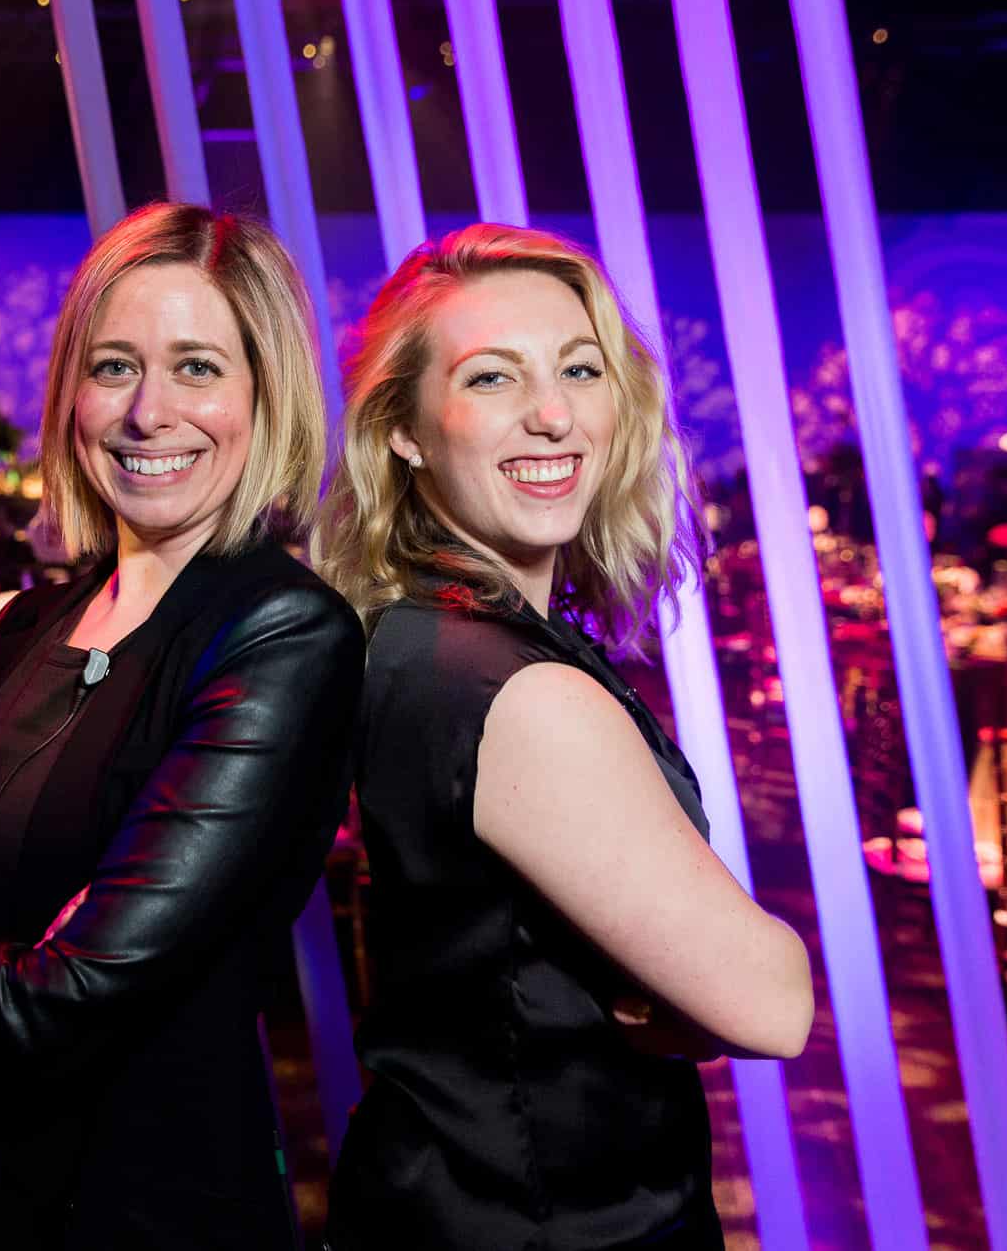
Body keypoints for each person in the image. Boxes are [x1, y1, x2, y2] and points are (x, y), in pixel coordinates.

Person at [0, 202, 364, 1250]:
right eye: (113, 366)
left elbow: (62, 1002)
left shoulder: (285, 634)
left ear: (266, 397)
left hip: (136, 1205)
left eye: (197, 368)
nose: (146, 411)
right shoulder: (28, 620)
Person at [317, 225, 813, 1249]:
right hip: (549, 1220)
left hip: (457, 1197)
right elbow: (771, 1003)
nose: (550, 415)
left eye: (578, 370)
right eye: (492, 379)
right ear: (404, 426)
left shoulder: (420, 634)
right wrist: (669, 999)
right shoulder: (516, 689)